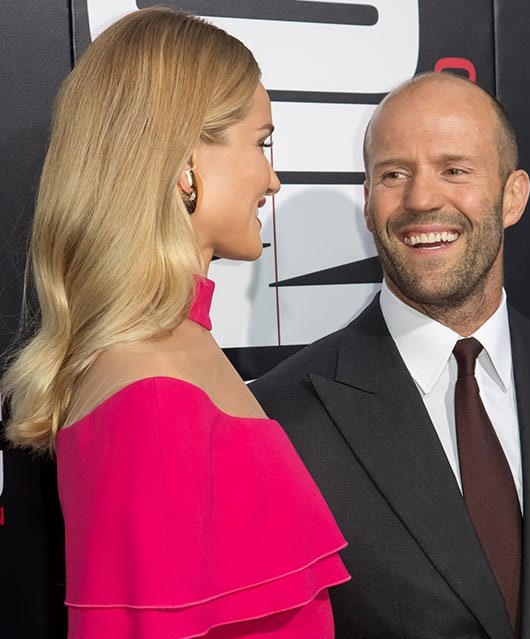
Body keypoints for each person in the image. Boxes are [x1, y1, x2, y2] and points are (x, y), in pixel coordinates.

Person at [250, 72, 530, 638]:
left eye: (454, 170)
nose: (421, 198)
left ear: (513, 197)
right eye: (393, 174)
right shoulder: (282, 418)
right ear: (367, 203)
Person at [1, 8, 349, 638]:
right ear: (188, 158)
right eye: (261, 142)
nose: (273, 178)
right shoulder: (154, 393)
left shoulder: (174, 352)